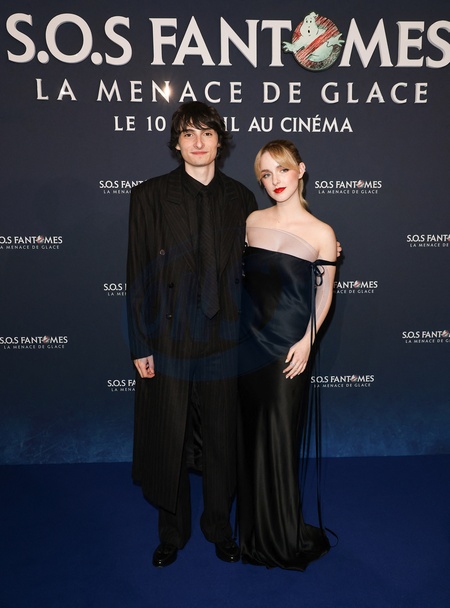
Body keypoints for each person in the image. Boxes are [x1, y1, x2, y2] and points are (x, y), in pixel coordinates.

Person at [126, 101, 257, 568]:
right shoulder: (148, 196)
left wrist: (316, 254)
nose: (198, 142)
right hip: (169, 336)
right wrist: (140, 343)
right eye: (188, 134)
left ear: (220, 141)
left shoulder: (242, 197)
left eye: (207, 133)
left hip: (225, 336)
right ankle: (172, 532)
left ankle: (219, 527)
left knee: (223, 436)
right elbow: (137, 273)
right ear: (177, 143)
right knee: (170, 436)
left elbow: (260, 262)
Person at [237, 139, 337, 571]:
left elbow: (325, 294)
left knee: (279, 437)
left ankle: (280, 533)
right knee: (250, 436)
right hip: (248, 345)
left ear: (300, 169)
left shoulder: (322, 232)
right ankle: (255, 532)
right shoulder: (252, 222)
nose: (275, 180)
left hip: (289, 348)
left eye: (281, 169)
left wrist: (307, 340)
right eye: (265, 174)